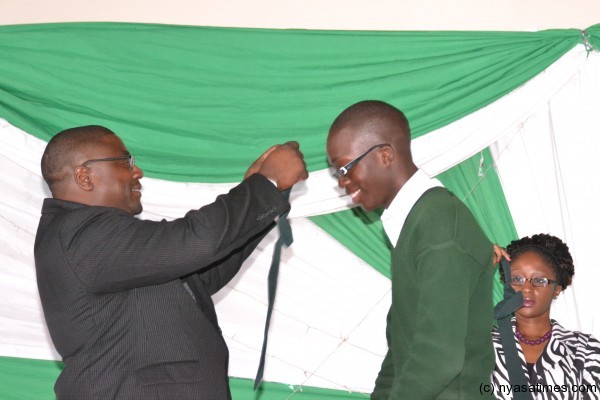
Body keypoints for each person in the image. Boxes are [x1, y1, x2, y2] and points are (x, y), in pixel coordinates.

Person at [34, 125, 308, 399]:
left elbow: (201, 275)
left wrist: (257, 197)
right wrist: (264, 185)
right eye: (126, 162)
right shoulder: (79, 232)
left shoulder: (100, 242)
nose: (137, 172)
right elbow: (196, 242)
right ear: (85, 176)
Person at [326, 100, 495, 399]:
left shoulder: (439, 224)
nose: (342, 182)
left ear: (385, 155)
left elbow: (438, 358)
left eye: (345, 167)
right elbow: (403, 346)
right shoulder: (412, 223)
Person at [491, 234, 600, 399]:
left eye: (539, 280)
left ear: (557, 289)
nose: (526, 288)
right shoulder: (483, 342)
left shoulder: (585, 351)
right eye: (517, 279)